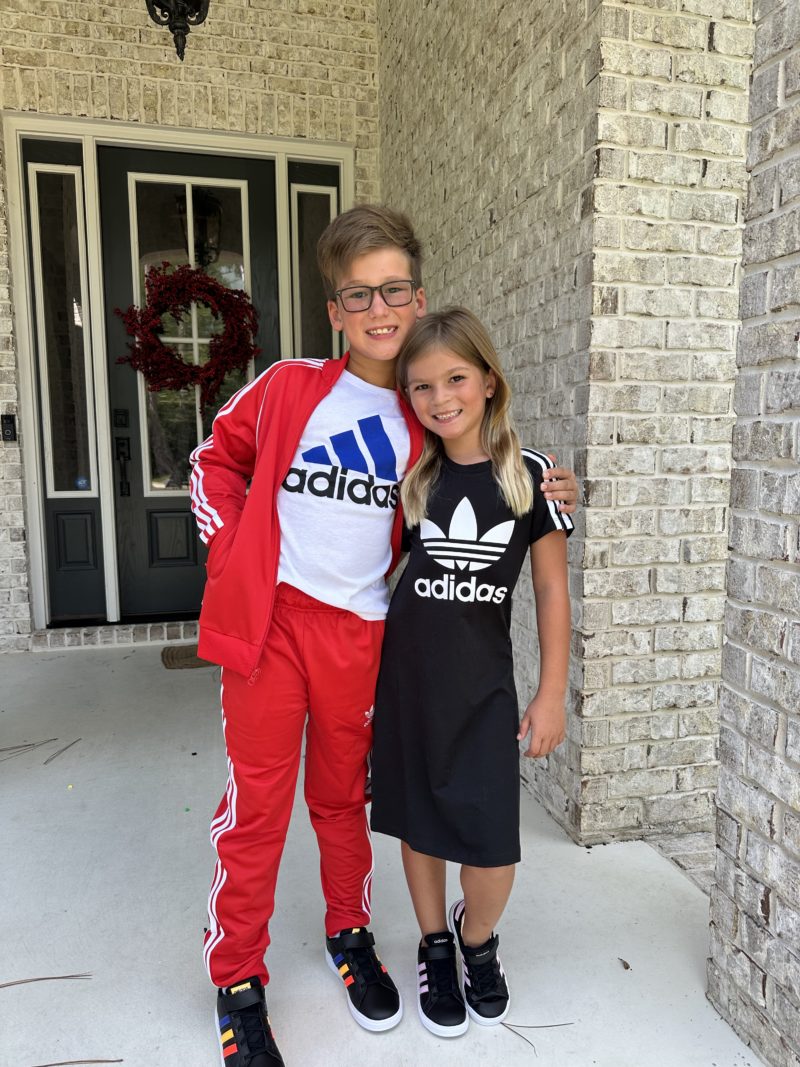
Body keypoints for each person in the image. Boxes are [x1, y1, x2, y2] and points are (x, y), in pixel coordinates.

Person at [189, 206, 579, 1067]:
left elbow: (494, 471)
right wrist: (237, 553)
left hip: (363, 635)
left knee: (340, 800)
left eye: (393, 288)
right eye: (358, 294)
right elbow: (212, 460)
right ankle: (238, 978)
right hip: (274, 626)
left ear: (418, 295)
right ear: (335, 310)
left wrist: (555, 484)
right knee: (256, 807)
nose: (378, 308)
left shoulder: (424, 420)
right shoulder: (292, 386)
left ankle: (350, 932)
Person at [370, 306, 573, 1039]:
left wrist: (552, 693)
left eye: (455, 378)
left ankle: (475, 937)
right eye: (420, 386)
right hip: (408, 684)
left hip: (485, 688)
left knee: (491, 841)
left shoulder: (533, 477)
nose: (439, 397)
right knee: (420, 822)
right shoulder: (408, 474)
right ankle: (432, 942)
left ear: (489, 381)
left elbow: (551, 589)